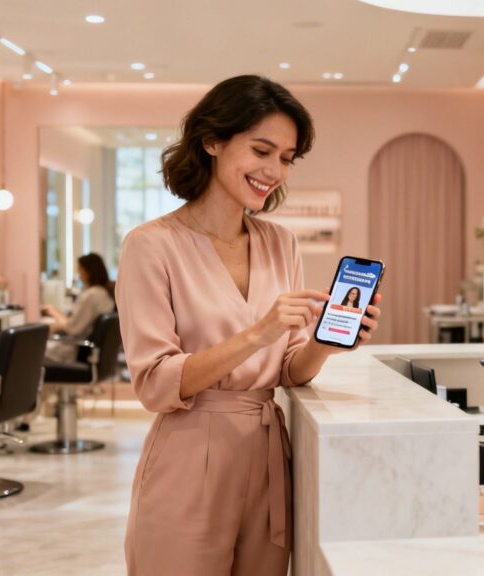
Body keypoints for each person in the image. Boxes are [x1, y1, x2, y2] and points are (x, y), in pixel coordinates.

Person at [116, 75, 382, 576]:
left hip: (266, 457)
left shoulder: (281, 243)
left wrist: (323, 345)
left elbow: (289, 370)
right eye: (261, 151)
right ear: (212, 141)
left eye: (287, 158)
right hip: (188, 454)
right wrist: (259, 333)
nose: (274, 171)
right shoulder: (150, 246)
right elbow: (154, 382)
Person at [41, 253, 116, 363]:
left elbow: (73, 328)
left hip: (76, 349)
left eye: (80, 269)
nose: (79, 274)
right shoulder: (104, 293)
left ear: (88, 272)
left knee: (33, 351)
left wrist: (54, 326)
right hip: (86, 347)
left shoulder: (91, 295)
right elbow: (75, 323)